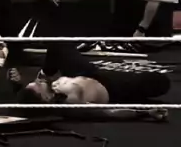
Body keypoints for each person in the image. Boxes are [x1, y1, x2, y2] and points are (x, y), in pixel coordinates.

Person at [13, 40, 170, 110]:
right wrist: (144, 113)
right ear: (46, 99)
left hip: (84, 73)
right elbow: (106, 114)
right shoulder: (69, 103)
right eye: (38, 85)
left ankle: (44, 69)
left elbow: (27, 99)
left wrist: (18, 84)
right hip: (111, 88)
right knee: (160, 82)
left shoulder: (48, 93)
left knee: (58, 45)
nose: (39, 82)